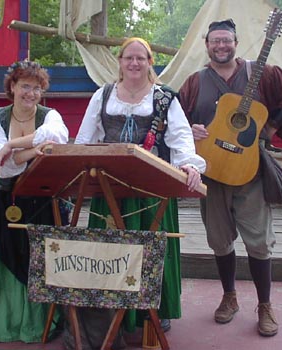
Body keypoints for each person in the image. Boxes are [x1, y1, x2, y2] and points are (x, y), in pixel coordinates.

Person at [179, 19, 282, 337]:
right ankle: (229, 297)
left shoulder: (262, 72)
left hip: (249, 171)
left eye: (227, 40)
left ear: (236, 42)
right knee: (218, 239)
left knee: (259, 241)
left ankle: (265, 305)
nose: (221, 46)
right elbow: (176, 120)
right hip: (211, 173)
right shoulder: (195, 81)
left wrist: (272, 126)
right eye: (215, 41)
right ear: (206, 44)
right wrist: (190, 128)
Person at [70, 37, 206, 349]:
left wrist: (189, 165)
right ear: (119, 62)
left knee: (152, 250)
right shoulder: (102, 96)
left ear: (149, 63)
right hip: (109, 187)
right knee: (110, 252)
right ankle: (108, 313)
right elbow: (84, 138)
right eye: (128, 58)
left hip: (152, 189)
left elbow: (181, 138)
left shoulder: (165, 98)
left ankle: (153, 310)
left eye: (140, 58)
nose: (134, 63)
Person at [0, 60, 69, 342]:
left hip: (38, 201)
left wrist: (12, 145)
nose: (31, 93)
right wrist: (34, 151)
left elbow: (56, 138)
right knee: (0, 259)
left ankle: (36, 324)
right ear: (12, 87)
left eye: (37, 88)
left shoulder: (50, 116)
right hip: (1, 201)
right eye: (25, 86)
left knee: (36, 262)